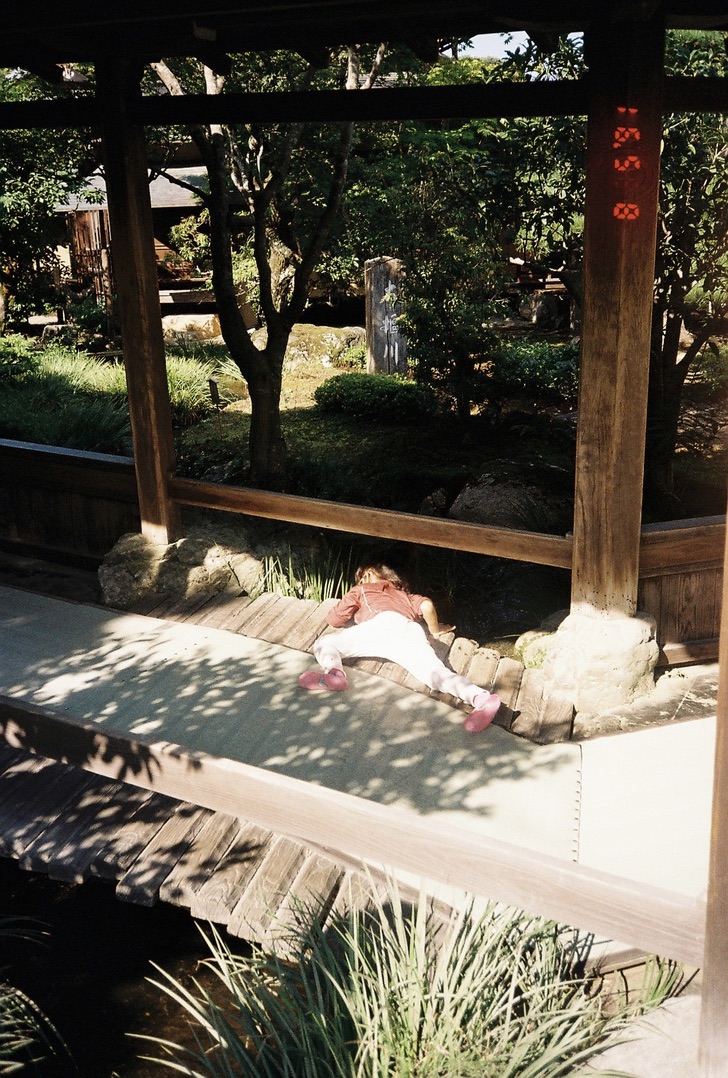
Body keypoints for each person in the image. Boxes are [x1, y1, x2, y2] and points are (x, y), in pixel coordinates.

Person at [298, 562, 500, 733]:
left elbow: (334, 619)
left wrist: (353, 602)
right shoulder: (407, 596)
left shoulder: (362, 590)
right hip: (410, 630)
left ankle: (335, 674)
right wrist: (435, 630)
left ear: (367, 575)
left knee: (325, 643)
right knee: (434, 674)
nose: (360, 582)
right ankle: (479, 698)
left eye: (361, 578)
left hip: (380, 626)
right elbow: (427, 606)